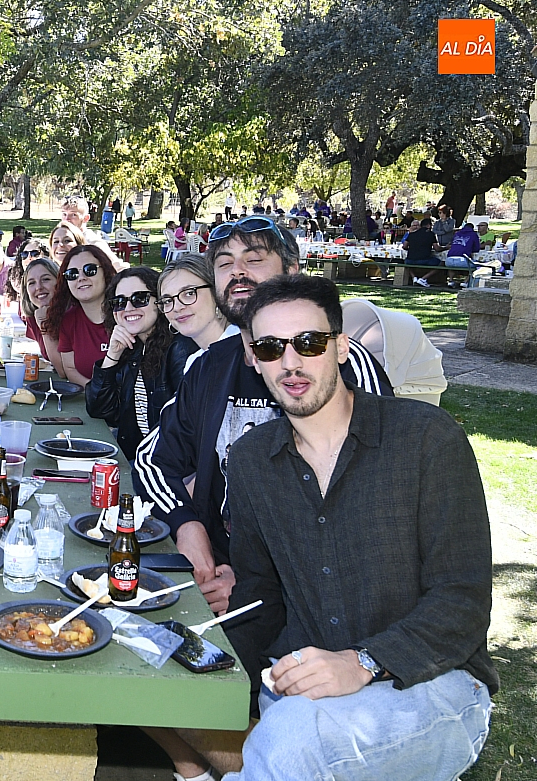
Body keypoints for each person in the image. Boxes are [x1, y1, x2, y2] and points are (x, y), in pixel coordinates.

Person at [223, 274, 495, 781]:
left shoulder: (426, 438)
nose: (290, 363)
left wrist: (364, 661)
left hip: (432, 682)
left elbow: (463, 599)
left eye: (308, 342)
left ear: (341, 346)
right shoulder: (251, 460)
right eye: (269, 347)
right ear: (250, 356)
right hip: (304, 687)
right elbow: (258, 596)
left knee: (290, 745)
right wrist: (201, 657)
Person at [132, 215, 390, 617]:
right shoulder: (211, 366)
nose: (237, 271)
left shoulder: (340, 363)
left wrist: (258, 581)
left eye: (254, 259)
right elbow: (154, 460)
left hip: (323, 604)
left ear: (291, 270)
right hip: (217, 579)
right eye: (224, 263)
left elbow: (375, 505)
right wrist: (187, 526)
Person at [86, 266, 190, 460]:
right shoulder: (133, 348)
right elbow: (100, 409)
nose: (128, 309)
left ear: (159, 302)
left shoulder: (179, 349)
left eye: (139, 299)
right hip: (138, 459)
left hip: (167, 468)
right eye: (119, 302)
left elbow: (188, 428)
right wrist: (113, 354)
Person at [45, 243, 117, 386]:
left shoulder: (126, 313)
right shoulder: (68, 320)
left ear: (105, 272)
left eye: (89, 270)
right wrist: (95, 392)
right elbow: (70, 368)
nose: (81, 278)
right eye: (72, 274)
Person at [156, 253, 233, 370]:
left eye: (189, 293)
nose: (177, 307)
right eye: (167, 301)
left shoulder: (246, 352)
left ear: (217, 293)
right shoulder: (194, 363)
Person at [404, 217, 441, 287]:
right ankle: (423, 278)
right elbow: (437, 248)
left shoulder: (412, 234)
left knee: (406, 262)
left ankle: (414, 277)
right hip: (424, 259)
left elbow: (404, 246)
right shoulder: (431, 234)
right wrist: (446, 247)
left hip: (410, 260)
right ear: (428, 225)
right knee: (441, 264)